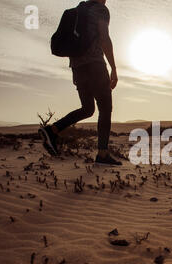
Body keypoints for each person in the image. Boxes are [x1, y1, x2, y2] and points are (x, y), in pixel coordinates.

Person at [39, 0, 121, 165]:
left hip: (77, 68)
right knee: (105, 108)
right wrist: (113, 67)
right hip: (95, 66)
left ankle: (52, 130)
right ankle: (103, 155)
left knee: (88, 108)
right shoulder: (101, 9)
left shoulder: (78, 10)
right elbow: (104, 38)